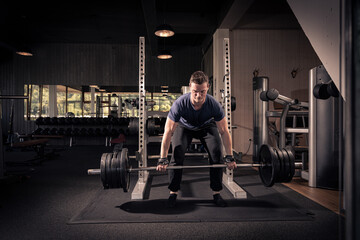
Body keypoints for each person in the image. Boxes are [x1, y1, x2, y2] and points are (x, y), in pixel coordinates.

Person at [156, 70, 236, 208]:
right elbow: (168, 131)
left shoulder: (214, 105)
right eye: (195, 91)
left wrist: (229, 156)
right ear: (190, 87)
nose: (198, 95)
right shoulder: (180, 104)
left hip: (206, 126)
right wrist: (162, 158)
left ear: (208, 88)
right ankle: (173, 192)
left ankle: (216, 192)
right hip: (185, 126)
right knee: (177, 152)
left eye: (202, 92)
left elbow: (224, 131)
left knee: (217, 153)